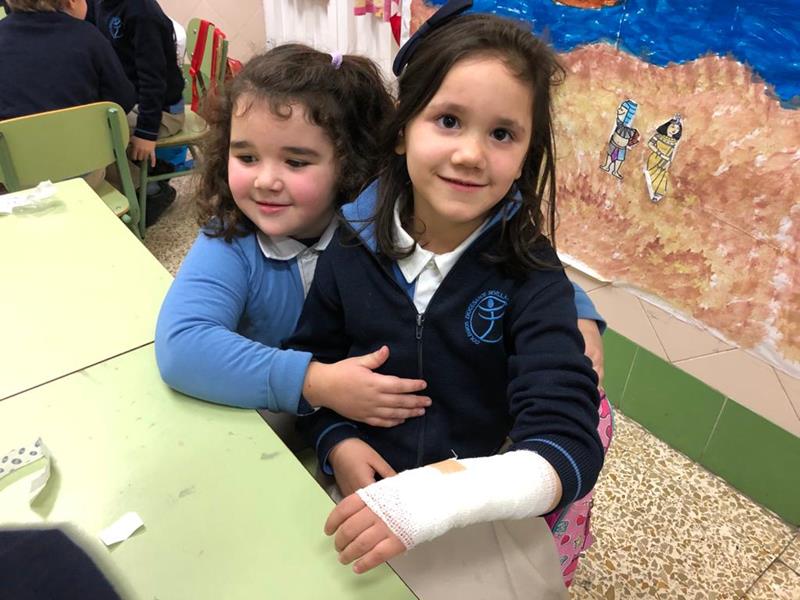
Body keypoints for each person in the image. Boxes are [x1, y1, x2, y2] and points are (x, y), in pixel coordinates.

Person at [287, 5, 605, 598]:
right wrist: (336, 440)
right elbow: (312, 369)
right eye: (449, 120)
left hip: (472, 517)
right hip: (359, 492)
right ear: (403, 128)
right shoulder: (350, 244)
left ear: (527, 154)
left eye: (502, 134)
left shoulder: (531, 275)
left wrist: (435, 498)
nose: (471, 155)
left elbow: (569, 447)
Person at [155, 45, 436, 434]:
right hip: (257, 435)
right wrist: (316, 383)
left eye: (295, 162)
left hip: (356, 435)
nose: (265, 181)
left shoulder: (376, 234)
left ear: (349, 162)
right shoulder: (230, 239)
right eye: (247, 158)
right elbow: (182, 347)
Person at [91, 0, 186, 223]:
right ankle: (146, 174)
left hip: (163, 111)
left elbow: (154, 79)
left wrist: (146, 132)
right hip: (131, 101)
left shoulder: (142, 12)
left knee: (99, 134)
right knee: (92, 125)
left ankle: (148, 192)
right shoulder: (101, 4)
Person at [0, 0, 135, 122]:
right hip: (85, 138)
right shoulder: (89, 37)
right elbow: (123, 101)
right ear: (72, 2)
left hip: (15, 141)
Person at [644, 115, 683, 203]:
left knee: (662, 176)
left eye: (677, 129)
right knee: (651, 174)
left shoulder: (673, 141)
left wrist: (668, 161)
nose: (674, 130)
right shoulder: (658, 136)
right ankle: (651, 191)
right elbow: (650, 144)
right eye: (672, 127)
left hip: (665, 161)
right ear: (667, 126)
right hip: (655, 158)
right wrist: (659, 153)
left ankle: (658, 194)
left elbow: (671, 153)